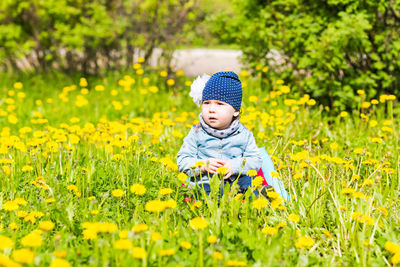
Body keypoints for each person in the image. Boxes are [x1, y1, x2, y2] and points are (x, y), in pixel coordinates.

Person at [176, 71, 262, 197]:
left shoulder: (244, 134)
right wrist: (203, 165)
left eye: (220, 104)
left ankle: (258, 196)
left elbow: (255, 160)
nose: (211, 109)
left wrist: (235, 166)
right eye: (206, 103)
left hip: (236, 180)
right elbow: (183, 160)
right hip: (206, 183)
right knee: (204, 195)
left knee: (249, 186)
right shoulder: (196, 132)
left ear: (236, 111)